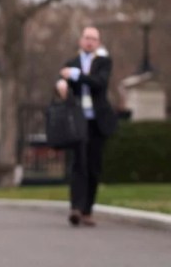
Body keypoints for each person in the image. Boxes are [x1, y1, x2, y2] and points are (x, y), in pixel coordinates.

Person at [56, 26, 117, 227]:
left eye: (94, 39)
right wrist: (61, 85)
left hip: (97, 122)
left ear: (98, 43)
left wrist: (75, 75)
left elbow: (99, 83)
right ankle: (75, 208)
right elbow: (61, 85)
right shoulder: (71, 63)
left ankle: (87, 210)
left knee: (93, 166)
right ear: (81, 40)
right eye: (87, 38)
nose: (90, 41)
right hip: (78, 121)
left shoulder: (103, 63)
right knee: (77, 164)